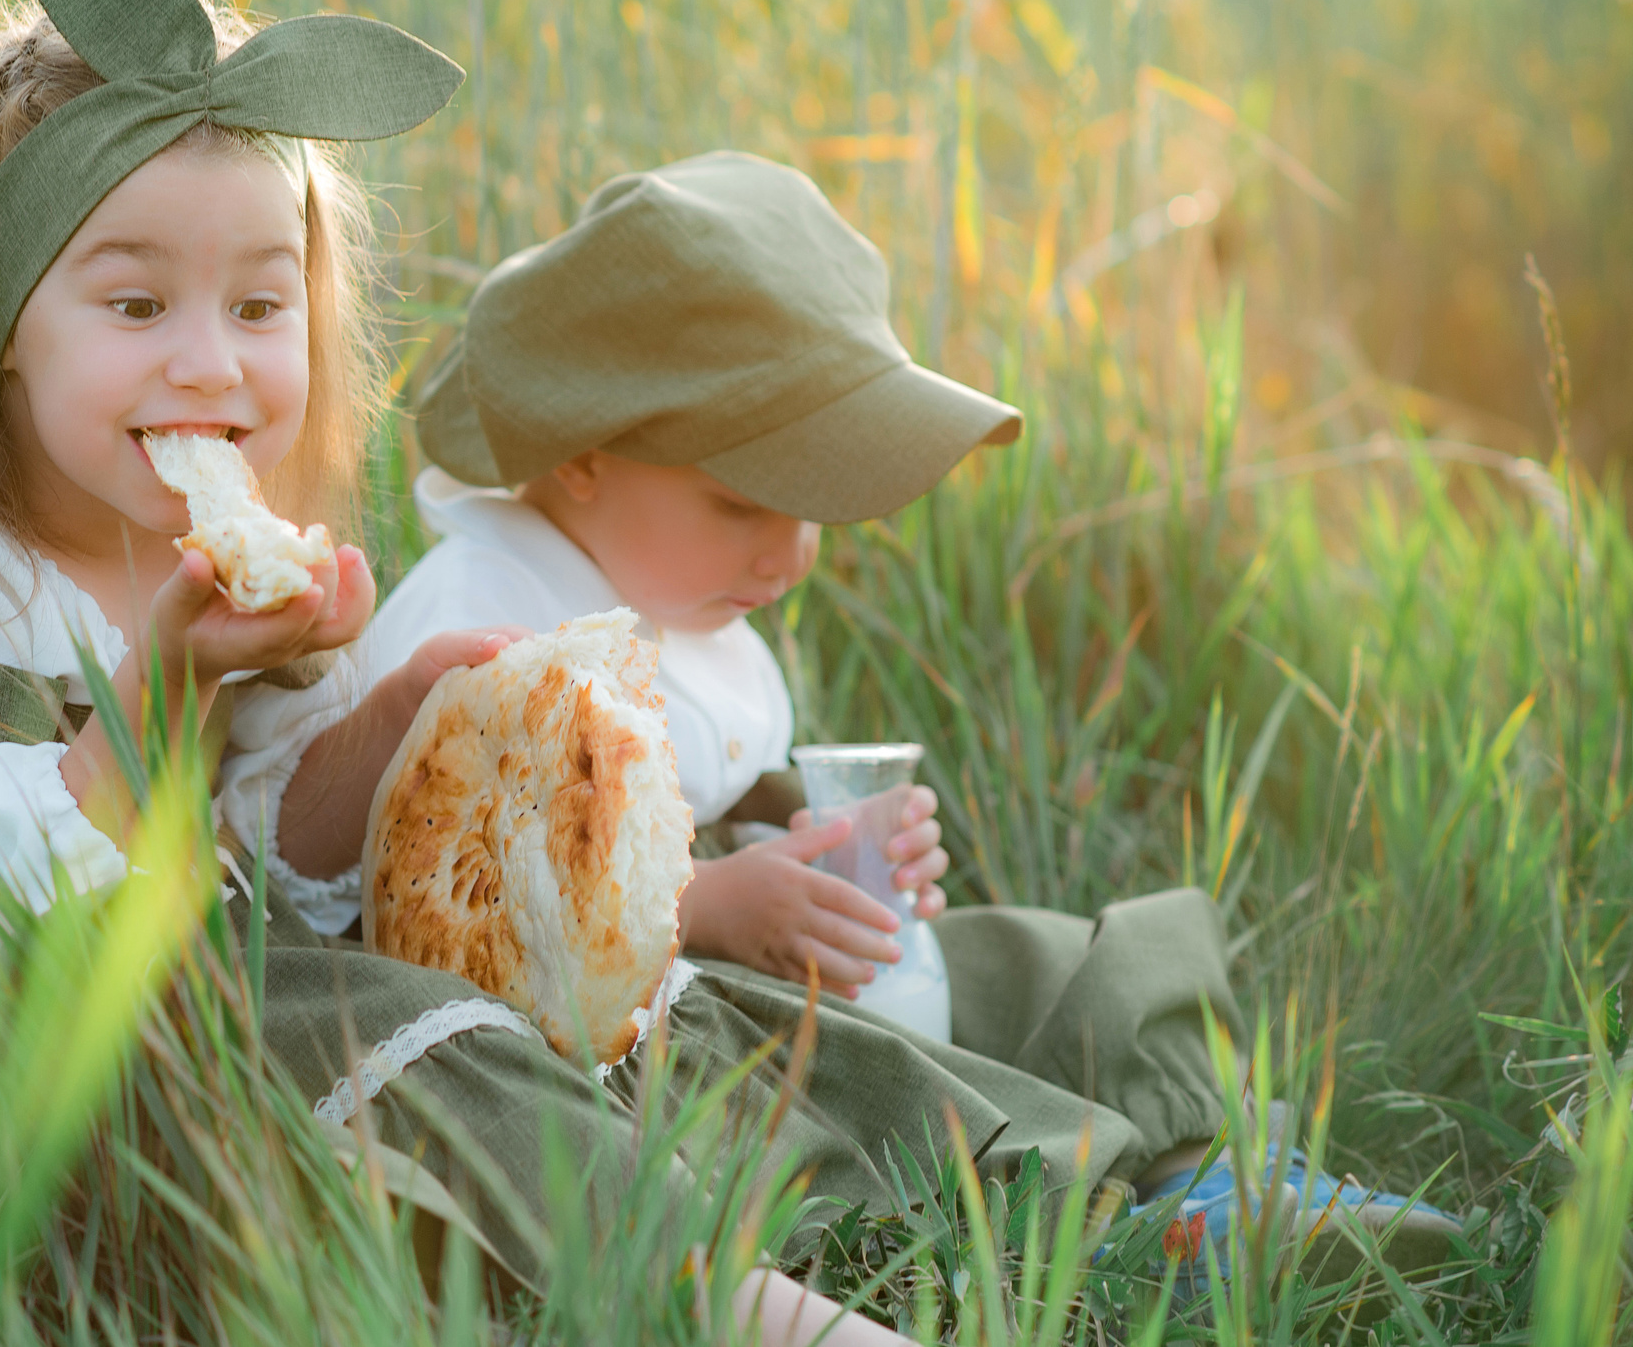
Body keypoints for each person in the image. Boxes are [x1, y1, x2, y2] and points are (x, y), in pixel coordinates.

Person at [0, 0, 915, 1344]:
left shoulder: (221, 553)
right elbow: (64, 947)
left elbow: (282, 873)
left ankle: (1020, 1189)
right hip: (19, 1079)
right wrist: (163, 690)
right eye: (133, 305)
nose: (208, 367)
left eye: (257, 306)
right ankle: (713, 1300)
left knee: (578, 1010)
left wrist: (393, 712)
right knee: (386, 1041)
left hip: (208, 1006)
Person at [223, 150, 1459, 1269]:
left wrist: (818, 858)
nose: (795, 552)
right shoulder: (496, 629)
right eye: (748, 501)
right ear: (582, 455)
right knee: (848, 1080)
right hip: (603, 1037)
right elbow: (440, 916)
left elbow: (709, 797)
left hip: (726, 962)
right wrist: (705, 905)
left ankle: (1207, 1152)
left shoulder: (681, 597)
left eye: (814, 504)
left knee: (1039, 954)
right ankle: (1132, 1222)